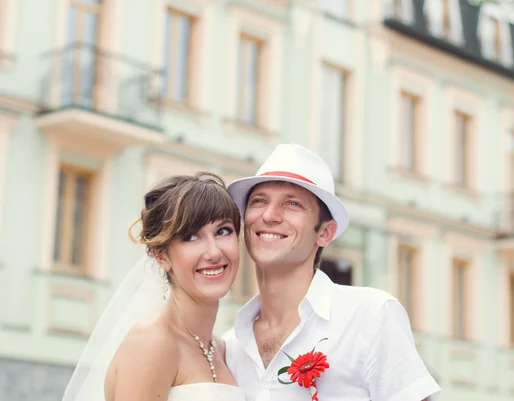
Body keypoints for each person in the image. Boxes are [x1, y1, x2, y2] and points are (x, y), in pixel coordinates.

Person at [224, 144, 441, 401]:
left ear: (325, 233)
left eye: (293, 204)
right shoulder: (231, 345)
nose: (270, 215)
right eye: (259, 201)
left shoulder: (370, 316)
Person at [61, 173, 246, 401]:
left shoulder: (221, 349)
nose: (214, 252)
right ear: (161, 256)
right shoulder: (152, 340)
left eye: (223, 231)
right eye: (190, 237)